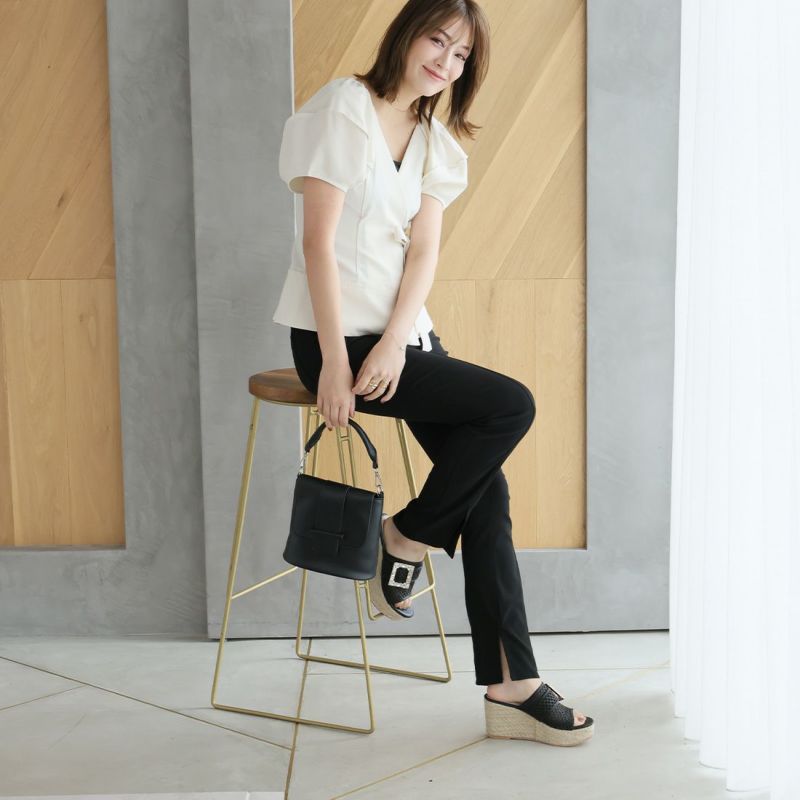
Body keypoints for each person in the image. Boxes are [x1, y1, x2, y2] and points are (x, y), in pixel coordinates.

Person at [272, 0, 594, 746]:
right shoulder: (344, 110)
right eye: (438, 41)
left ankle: (507, 680)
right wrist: (337, 362)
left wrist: (395, 343)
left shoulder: (433, 141)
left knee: (487, 487)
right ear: (407, 33)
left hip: (402, 339)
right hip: (333, 338)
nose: (445, 62)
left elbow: (423, 254)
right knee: (511, 406)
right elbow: (318, 244)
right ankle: (410, 538)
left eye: (460, 55)